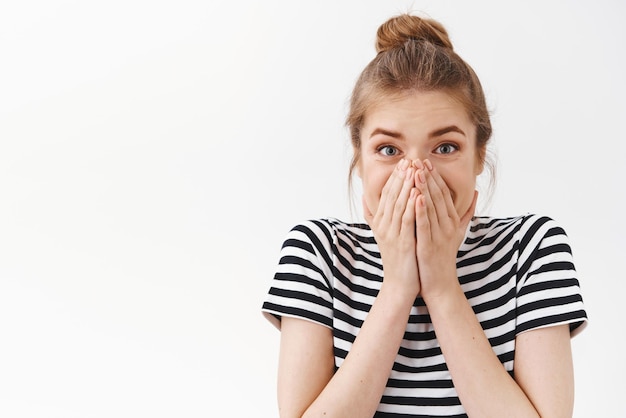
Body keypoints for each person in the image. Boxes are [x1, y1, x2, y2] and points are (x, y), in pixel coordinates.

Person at [261, 12, 587, 418]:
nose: (416, 174)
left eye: (445, 147)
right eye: (389, 150)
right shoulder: (317, 252)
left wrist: (441, 285)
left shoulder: (533, 247)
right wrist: (398, 285)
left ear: (479, 154)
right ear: (359, 157)